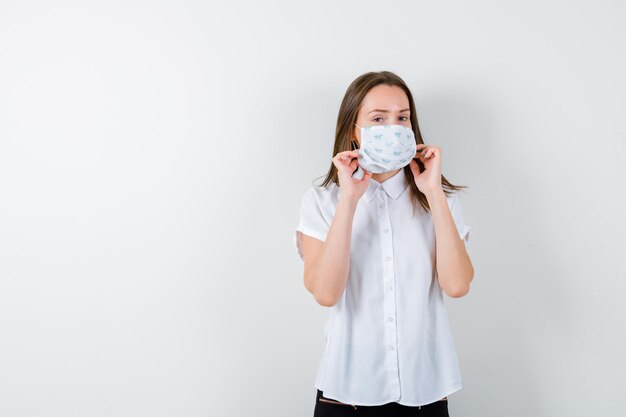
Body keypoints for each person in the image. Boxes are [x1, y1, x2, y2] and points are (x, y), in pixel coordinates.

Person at [294, 71, 474, 416]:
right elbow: (325, 293)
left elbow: (457, 285)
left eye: (402, 117)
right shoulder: (322, 201)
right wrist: (349, 200)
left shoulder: (438, 199)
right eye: (378, 118)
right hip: (346, 395)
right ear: (354, 130)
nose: (394, 127)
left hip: (425, 394)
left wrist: (434, 193)